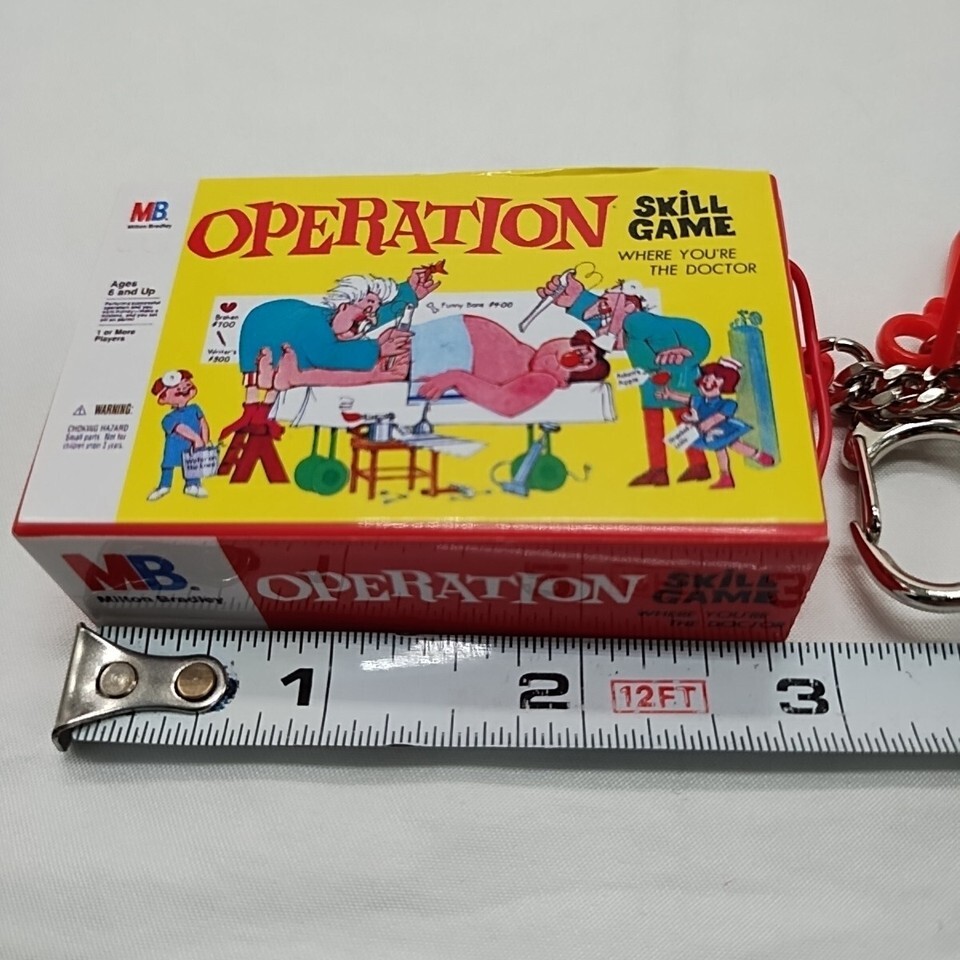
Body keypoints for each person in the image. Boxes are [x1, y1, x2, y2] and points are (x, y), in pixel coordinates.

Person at [539, 273, 712, 486]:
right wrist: (577, 300)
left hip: (677, 373)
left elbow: (666, 340)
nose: (602, 307)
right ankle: (660, 469)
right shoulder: (626, 325)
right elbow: (606, 324)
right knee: (653, 421)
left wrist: (668, 367)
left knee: (682, 417)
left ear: (627, 307)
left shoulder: (637, 320)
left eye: (608, 302)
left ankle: (696, 465)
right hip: (651, 376)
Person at [268, 314, 611, 419]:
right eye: (574, 349)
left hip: (436, 359)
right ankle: (294, 370)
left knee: (370, 367)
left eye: (575, 364)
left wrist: (456, 377)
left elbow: (507, 403)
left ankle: (295, 377)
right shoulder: (527, 352)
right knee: (364, 354)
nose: (566, 356)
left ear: (564, 381)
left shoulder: (543, 380)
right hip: (430, 342)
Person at [656, 357, 775, 489]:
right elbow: (687, 399)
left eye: (715, 380)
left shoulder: (727, 404)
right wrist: (671, 395)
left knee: (734, 445)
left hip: (723, 428)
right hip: (708, 432)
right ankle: (726, 477)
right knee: (720, 448)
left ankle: (757, 456)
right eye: (706, 378)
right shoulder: (700, 400)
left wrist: (702, 425)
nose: (708, 381)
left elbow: (718, 417)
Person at [147, 369, 211, 501]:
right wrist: (196, 438)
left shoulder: (195, 408)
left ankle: (192, 485)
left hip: (193, 447)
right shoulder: (168, 418)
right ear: (163, 399)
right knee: (168, 466)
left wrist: (205, 440)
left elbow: (203, 424)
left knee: (193, 465)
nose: (184, 388)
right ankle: (164, 486)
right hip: (175, 448)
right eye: (177, 389)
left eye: (187, 384)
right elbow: (180, 428)